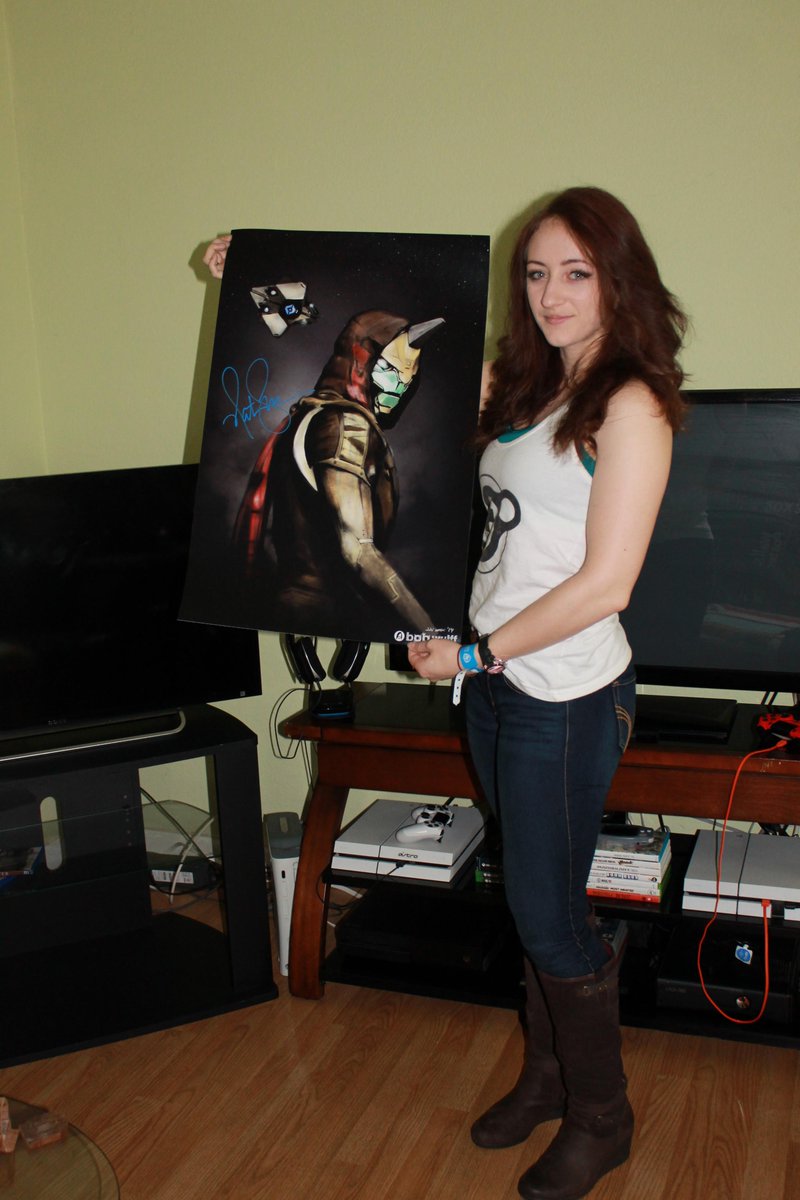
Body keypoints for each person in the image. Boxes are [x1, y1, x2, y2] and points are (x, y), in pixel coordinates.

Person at [407, 187, 687, 1200]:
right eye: (534, 272)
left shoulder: (630, 405)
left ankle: (602, 1117)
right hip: (496, 688)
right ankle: (546, 1077)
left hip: (561, 696)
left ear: (618, 279)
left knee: (547, 910)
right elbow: (392, 355)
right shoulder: (522, 384)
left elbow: (606, 584)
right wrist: (265, 277)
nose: (551, 293)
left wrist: (476, 656)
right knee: (531, 898)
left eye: (576, 272)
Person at [203, 237, 443, 641]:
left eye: (408, 377)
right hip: (324, 614)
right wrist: (431, 634)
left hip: (306, 613)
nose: (400, 385)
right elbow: (359, 551)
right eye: (392, 370)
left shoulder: (310, 414)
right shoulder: (345, 423)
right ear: (360, 362)